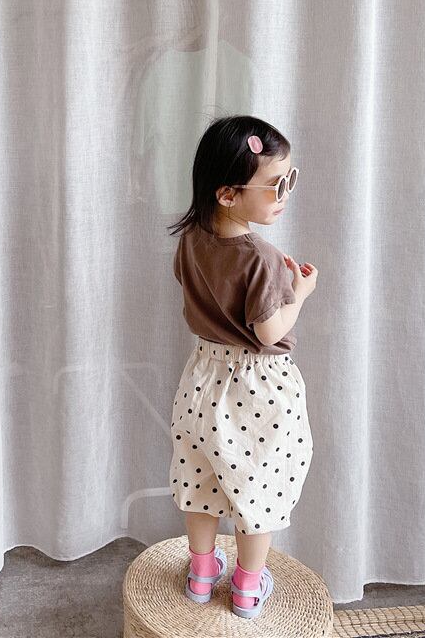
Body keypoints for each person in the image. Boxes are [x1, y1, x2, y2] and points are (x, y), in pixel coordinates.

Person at [166, 114, 319, 619]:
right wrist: (299, 293)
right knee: (259, 485)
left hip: (203, 376)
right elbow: (270, 332)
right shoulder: (260, 258)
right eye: (277, 184)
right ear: (228, 194)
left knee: (201, 477)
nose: (285, 194)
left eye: (290, 179)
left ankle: (201, 572)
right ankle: (248, 588)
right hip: (258, 386)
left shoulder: (190, 239)